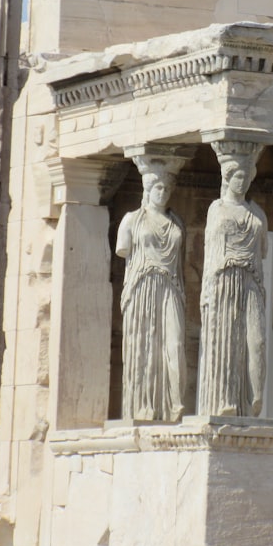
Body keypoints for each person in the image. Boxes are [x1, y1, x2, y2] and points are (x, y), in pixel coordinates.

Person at [196, 151, 268, 417]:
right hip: (224, 278)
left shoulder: (257, 213)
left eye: (247, 177)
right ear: (228, 177)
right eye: (238, 176)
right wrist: (207, 290)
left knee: (256, 340)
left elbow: (263, 251)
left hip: (251, 279)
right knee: (227, 340)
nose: (243, 182)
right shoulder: (217, 209)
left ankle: (255, 397)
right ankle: (226, 400)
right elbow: (210, 249)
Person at [116, 167, 187, 422]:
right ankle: (144, 408)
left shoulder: (176, 223)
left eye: (168, 189)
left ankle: (174, 405)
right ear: (147, 190)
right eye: (159, 187)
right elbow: (123, 248)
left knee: (175, 343)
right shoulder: (131, 220)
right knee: (145, 345)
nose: (164, 192)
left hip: (170, 286)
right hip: (143, 286)